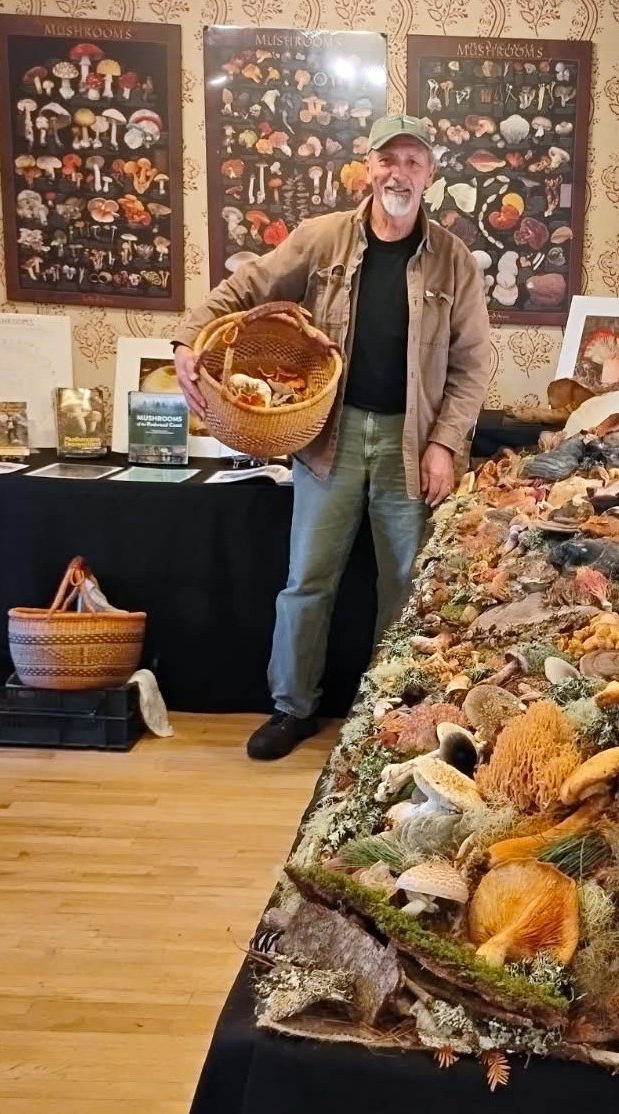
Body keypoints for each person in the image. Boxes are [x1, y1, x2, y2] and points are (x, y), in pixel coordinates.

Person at [174, 114, 490, 760]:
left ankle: (390, 716)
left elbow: (473, 364)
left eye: (413, 161)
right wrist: (186, 339)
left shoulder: (454, 261)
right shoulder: (321, 240)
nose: (399, 173)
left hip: (410, 442)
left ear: (430, 176)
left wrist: (443, 444)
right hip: (328, 438)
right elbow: (246, 287)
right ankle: (292, 707)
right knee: (308, 579)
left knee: (406, 586)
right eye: (388, 160)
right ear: (368, 168)